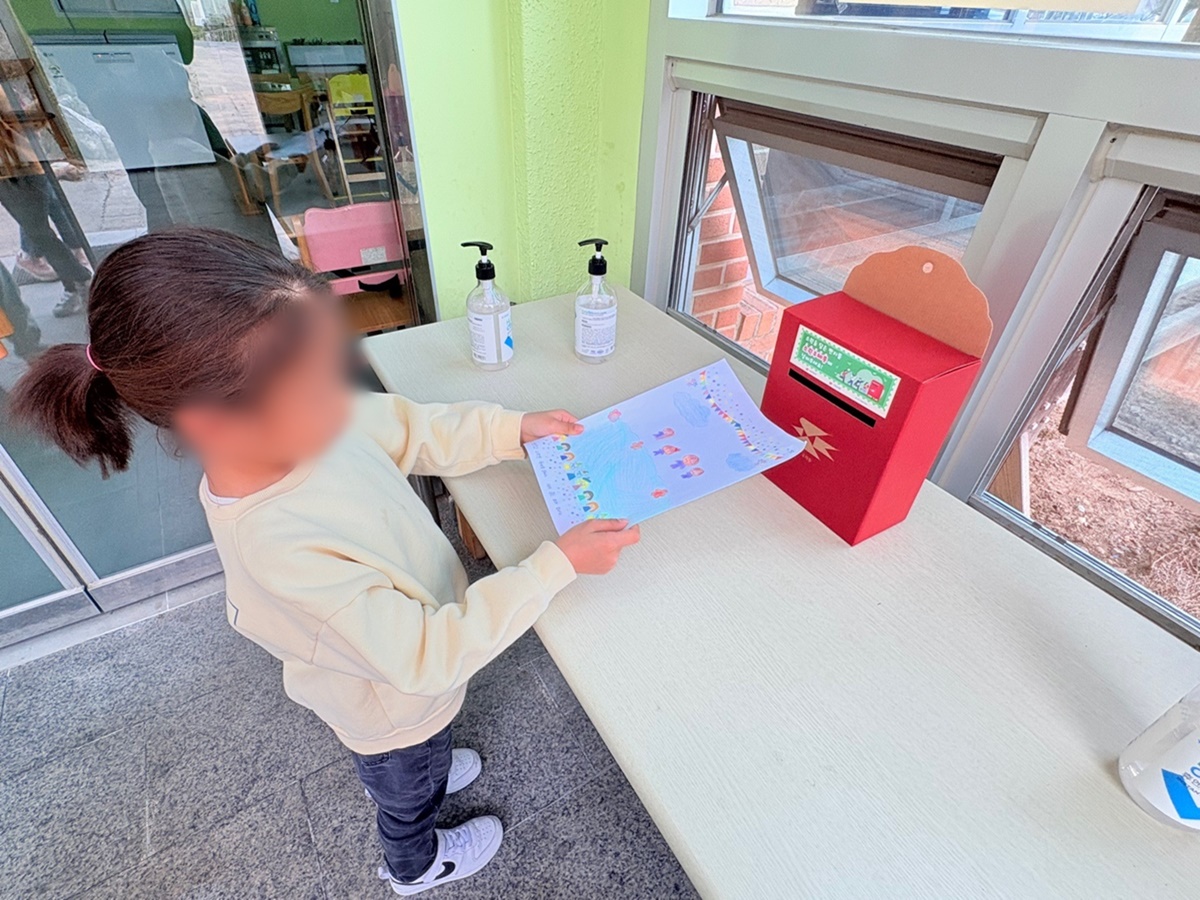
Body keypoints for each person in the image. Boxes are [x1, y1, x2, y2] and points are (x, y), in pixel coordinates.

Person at [10, 228, 640, 895]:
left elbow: (410, 428)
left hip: (407, 667)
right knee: (408, 791)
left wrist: (510, 431)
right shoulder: (277, 545)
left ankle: (426, 762)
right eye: (311, 389)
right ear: (213, 422)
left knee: (423, 753)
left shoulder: (305, 417)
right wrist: (555, 565)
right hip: (390, 706)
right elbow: (426, 655)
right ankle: (415, 865)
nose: (335, 398)